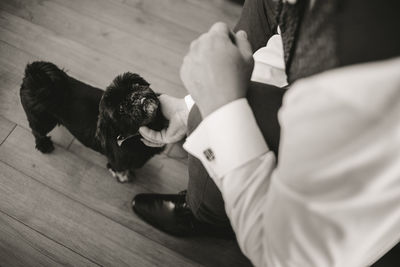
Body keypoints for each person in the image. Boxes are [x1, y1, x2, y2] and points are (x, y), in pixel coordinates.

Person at [132, 0, 400, 266]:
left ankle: (208, 215)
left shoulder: (358, 85)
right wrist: (195, 100)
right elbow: (289, 42)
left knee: (210, 116)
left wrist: (217, 108)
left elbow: (284, 257)